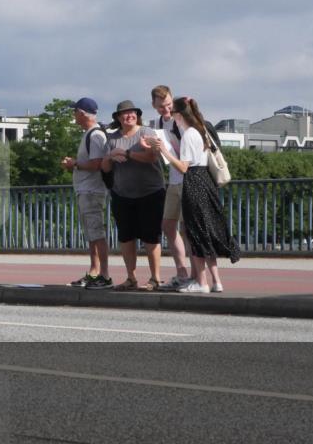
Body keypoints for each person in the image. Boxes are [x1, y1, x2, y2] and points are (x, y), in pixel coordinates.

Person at [147, 97, 240, 293]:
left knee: (194, 232)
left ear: (179, 115)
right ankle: (215, 281)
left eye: (173, 113)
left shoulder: (189, 134)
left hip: (193, 181)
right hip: (204, 180)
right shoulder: (200, 129)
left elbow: (183, 167)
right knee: (203, 230)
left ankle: (201, 282)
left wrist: (165, 150)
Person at [101, 100, 165, 291]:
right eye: (124, 113)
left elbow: (151, 157)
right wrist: (110, 156)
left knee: (151, 237)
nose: (129, 116)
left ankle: (155, 279)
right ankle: (131, 278)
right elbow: (104, 168)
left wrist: (127, 154)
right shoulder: (112, 139)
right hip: (122, 194)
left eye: (132, 113)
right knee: (126, 238)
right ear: (118, 117)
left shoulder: (147, 133)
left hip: (150, 192)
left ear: (137, 115)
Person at [60, 97, 112, 289]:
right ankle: (94, 271)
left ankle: (104, 275)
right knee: (92, 233)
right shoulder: (90, 134)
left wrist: (74, 164)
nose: (73, 115)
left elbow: (97, 164)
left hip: (92, 190)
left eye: (75, 112)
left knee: (97, 233)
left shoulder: (95, 135)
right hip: (86, 190)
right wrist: (75, 164)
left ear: (82, 113)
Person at [150, 85, 193, 291]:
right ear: (154, 106)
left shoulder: (181, 119)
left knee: (187, 229)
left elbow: (189, 149)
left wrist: (167, 150)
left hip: (188, 177)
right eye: (160, 107)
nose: (165, 110)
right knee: (168, 225)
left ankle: (195, 275)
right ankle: (181, 271)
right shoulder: (159, 122)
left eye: (167, 105)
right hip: (173, 179)